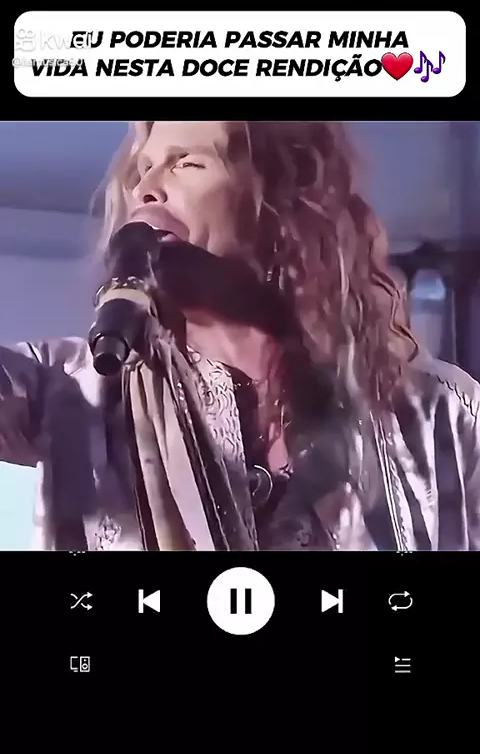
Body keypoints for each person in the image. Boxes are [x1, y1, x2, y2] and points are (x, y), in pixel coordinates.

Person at [1, 120, 479, 551]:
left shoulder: (444, 414)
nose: (145, 190)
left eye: (187, 163)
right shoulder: (67, 384)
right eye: (142, 170)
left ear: (282, 203)